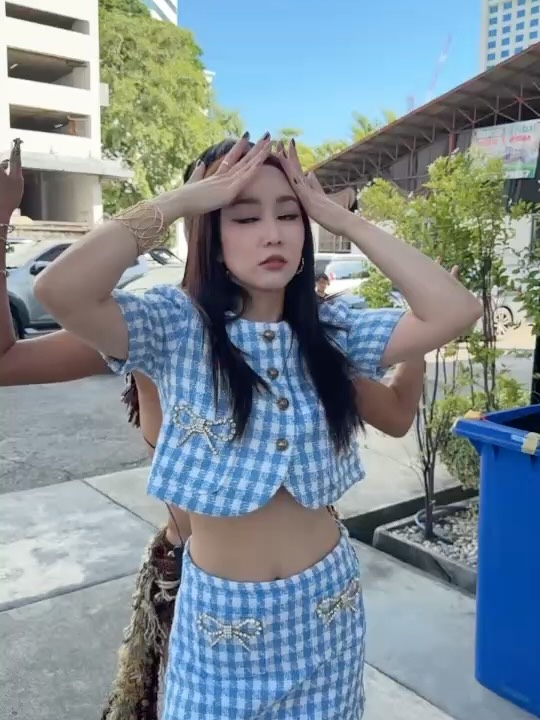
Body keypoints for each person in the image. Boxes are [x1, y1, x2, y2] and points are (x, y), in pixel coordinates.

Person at [34, 133, 481, 718]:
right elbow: (58, 290)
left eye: (289, 215)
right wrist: (182, 202)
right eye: (244, 217)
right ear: (211, 235)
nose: (273, 233)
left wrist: (339, 220)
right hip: (220, 626)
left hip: (328, 610)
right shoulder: (174, 328)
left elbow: (455, 310)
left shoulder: (330, 331)